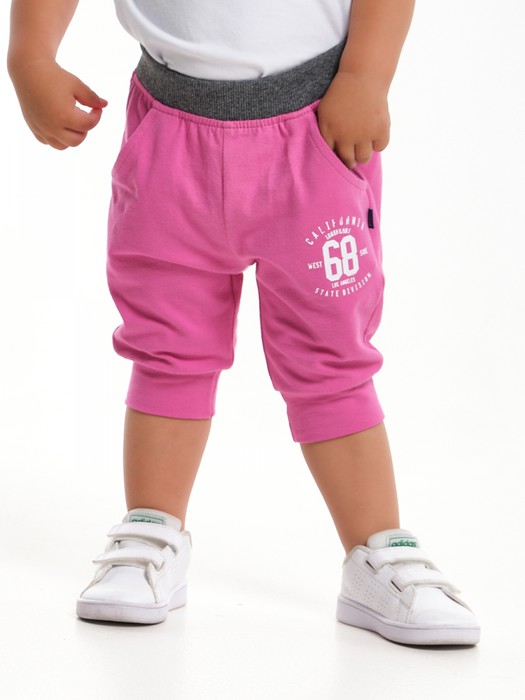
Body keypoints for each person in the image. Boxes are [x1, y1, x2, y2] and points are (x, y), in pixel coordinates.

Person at [7, 0, 480, 646]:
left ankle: (377, 551)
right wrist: (30, 54)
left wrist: (367, 75)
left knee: (330, 359)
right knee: (168, 348)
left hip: (317, 131)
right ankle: (151, 531)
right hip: (170, 138)